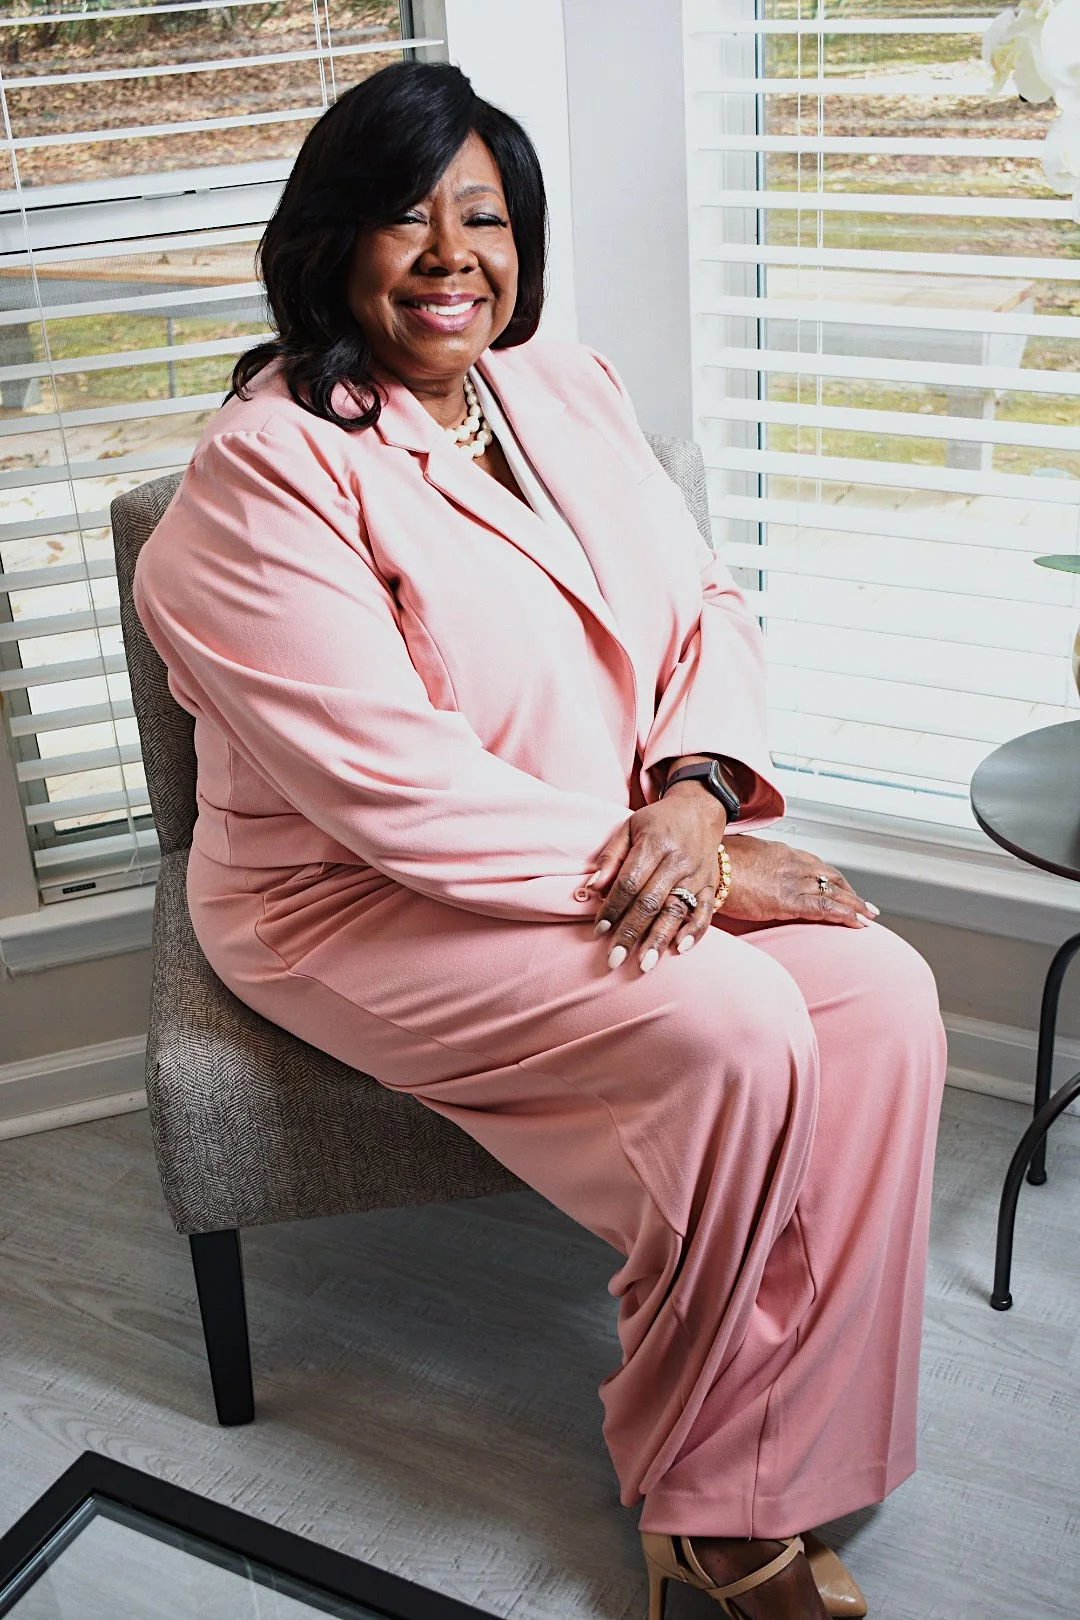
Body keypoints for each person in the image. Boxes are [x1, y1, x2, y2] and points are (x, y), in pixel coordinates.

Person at [133, 60, 947, 1620]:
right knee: (732, 1027)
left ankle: (779, 1450)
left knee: (884, 999)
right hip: (352, 899)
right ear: (330, 242)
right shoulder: (261, 477)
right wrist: (702, 881)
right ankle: (714, 1524)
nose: (453, 255)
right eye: (406, 215)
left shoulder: (563, 388)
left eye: (486, 216)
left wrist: (696, 801)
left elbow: (705, 607)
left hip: (618, 845)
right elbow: (391, 794)